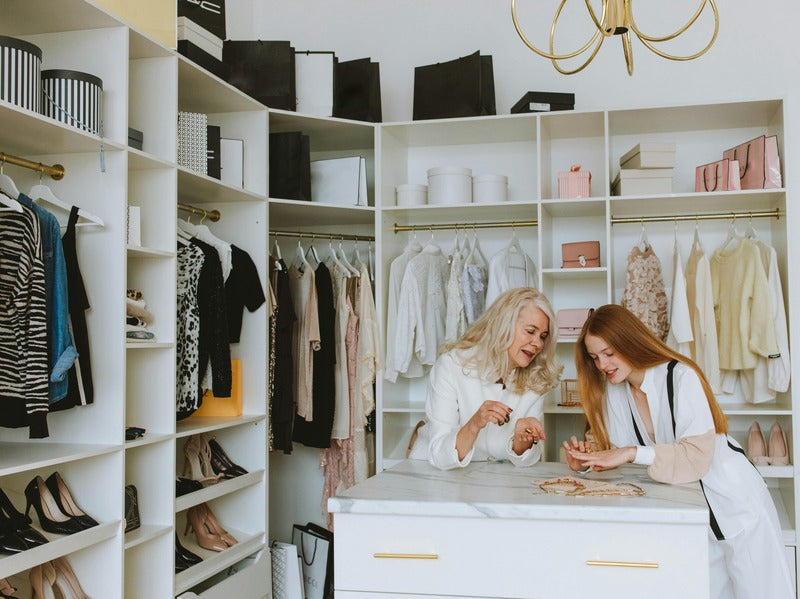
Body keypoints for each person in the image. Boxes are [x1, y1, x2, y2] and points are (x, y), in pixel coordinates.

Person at [564, 304, 793, 599]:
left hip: (735, 504)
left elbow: (695, 456)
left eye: (609, 353)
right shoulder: (615, 393)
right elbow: (613, 451)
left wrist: (633, 452)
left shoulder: (681, 377)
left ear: (630, 341)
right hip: (690, 515)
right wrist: (586, 460)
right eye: (595, 358)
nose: (602, 365)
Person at [414, 287, 562, 470]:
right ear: (503, 324)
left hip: (493, 482)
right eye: (530, 331)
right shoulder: (452, 366)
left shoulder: (536, 379)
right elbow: (439, 455)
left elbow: (528, 459)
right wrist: (475, 424)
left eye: (543, 336)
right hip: (432, 474)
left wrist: (522, 441)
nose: (538, 343)